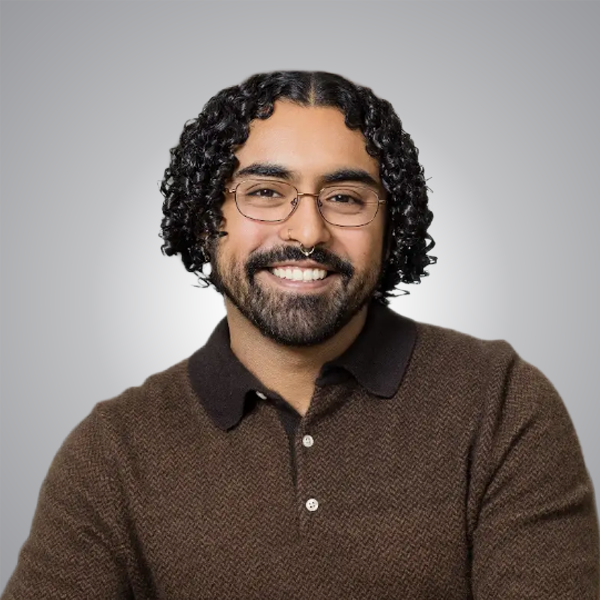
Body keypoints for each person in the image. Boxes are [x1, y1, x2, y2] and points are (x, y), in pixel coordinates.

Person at [2, 71, 598, 599]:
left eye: (344, 198)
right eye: (265, 193)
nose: (308, 231)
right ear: (206, 219)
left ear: (391, 227)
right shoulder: (112, 451)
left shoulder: (500, 402)